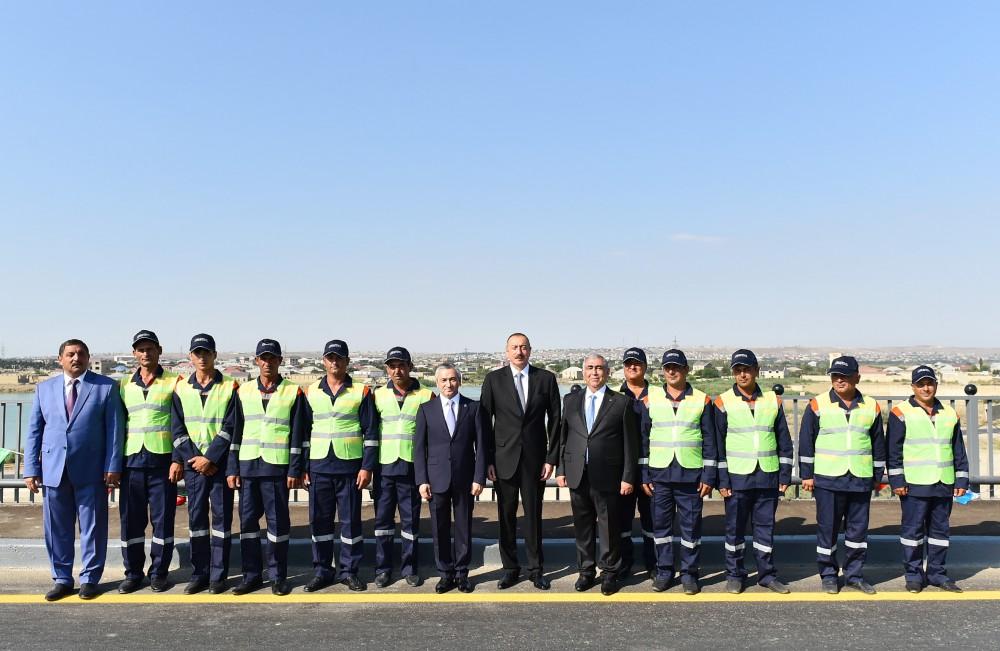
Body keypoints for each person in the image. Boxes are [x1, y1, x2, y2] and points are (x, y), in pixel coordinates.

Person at [24, 339, 124, 601]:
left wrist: (113, 466)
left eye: (81, 354)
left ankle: (90, 578)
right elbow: (34, 431)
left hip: (92, 470)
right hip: (54, 469)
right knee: (57, 528)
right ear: (60, 359)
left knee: (92, 527)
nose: (75, 358)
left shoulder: (106, 387)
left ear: (89, 358)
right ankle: (62, 578)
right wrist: (31, 469)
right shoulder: (43, 389)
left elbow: (115, 430)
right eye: (70, 354)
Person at [479, 333, 561, 590]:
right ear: (506, 352)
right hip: (503, 460)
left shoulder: (545, 379)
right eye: (514, 347)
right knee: (506, 516)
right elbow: (484, 422)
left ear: (530, 350)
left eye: (523, 347)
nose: (519, 351)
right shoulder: (493, 380)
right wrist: (488, 460)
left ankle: (536, 569)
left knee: (534, 516)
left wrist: (551, 458)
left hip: (536, 461)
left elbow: (556, 419)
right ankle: (511, 568)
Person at [798, 355, 886, 595]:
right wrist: (806, 474)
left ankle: (854, 575)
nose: (839, 380)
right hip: (828, 478)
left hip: (859, 477)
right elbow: (806, 441)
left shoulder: (871, 405)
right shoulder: (817, 404)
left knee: (858, 532)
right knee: (827, 529)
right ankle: (828, 575)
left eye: (845, 376)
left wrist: (878, 475)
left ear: (857, 377)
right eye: (835, 375)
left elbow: (878, 444)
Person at [227, 339, 306, 596]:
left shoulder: (293, 392)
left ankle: (277, 576)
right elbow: (235, 432)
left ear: (280, 360)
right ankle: (251, 575)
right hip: (248, 467)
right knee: (248, 525)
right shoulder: (243, 391)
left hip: (276, 468)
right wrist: (232, 468)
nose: (267, 362)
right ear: (256, 360)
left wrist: (295, 469)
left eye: (272, 358)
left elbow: (298, 435)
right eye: (263, 358)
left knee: (278, 526)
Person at [556, 354, 639, 596]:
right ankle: (586, 571)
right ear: (583, 372)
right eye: (590, 368)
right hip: (577, 473)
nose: (595, 372)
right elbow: (563, 438)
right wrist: (561, 470)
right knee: (582, 527)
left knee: (609, 527)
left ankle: (610, 573)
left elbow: (630, 445)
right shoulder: (571, 400)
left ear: (608, 372)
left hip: (609, 476)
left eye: (599, 368)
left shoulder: (621, 403)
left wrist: (627, 477)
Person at [714, 349, 793, 594]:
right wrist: (722, 479)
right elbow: (718, 444)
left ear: (757, 371)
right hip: (737, 478)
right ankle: (735, 575)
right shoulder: (723, 401)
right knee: (735, 530)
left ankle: (766, 574)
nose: (742, 374)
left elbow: (784, 440)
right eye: (738, 370)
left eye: (747, 369)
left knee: (765, 529)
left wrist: (784, 474)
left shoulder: (773, 401)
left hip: (767, 476)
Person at [301, 339, 377, 593]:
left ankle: (349, 571)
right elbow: (302, 433)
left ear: (347, 362)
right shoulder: (311, 391)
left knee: (350, 523)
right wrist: (303, 468)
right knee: (319, 523)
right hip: (319, 466)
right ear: (323, 361)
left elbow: (371, 433)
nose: (334, 362)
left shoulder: (361, 391)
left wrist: (366, 467)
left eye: (339, 358)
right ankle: (322, 570)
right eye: (330, 358)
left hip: (349, 467)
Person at [640, 349, 717, 595]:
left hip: (690, 476)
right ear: (663, 370)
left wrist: (708, 475)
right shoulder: (650, 399)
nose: (671, 371)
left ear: (686, 370)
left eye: (676, 367)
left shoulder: (702, 400)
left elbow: (710, 441)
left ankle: (689, 574)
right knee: (660, 528)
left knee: (691, 529)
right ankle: (664, 571)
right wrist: (643, 474)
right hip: (660, 476)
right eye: (667, 367)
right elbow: (643, 440)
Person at [887, 365, 969, 593]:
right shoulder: (900, 412)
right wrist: (897, 481)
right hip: (914, 484)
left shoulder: (949, 414)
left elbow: (958, 451)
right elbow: (893, 451)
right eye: (921, 384)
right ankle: (913, 574)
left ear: (936, 385)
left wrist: (961, 480)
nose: (926, 388)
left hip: (944, 482)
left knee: (940, 533)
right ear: (913, 386)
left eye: (930, 383)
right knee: (912, 532)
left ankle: (937, 573)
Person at [171, 333, 239, 595]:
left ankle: (218, 575)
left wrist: (210, 458)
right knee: (196, 520)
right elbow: (177, 429)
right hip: (193, 467)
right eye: (197, 353)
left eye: (206, 353)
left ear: (214, 355)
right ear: (190, 357)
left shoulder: (230, 387)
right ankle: (199, 573)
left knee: (221, 522)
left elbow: (230, 427)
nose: (202, 357)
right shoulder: (181, 389)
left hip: (219, 465)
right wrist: (197, 460)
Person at [117, 330, 183, 594]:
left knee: (162, 522)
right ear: (134, 353)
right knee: (131, 523)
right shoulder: (123, 385)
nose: (146, 354)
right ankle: (133, 573)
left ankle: (158, 573)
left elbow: (180, 423)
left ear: (159, 350)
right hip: (131, 462)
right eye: (141, 349)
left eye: (150, 349)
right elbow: (118, 426)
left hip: (162, 463)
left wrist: (178, 459)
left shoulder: (175, 382)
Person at [414, 363, 490, 594]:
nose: (449, 384)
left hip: (465, 479)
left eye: (453, 379)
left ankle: (462, 574)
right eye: (444, 380)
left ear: (459, 381)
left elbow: (482, 447)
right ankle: (445, 574)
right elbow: (419, 449)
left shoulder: (474, 407)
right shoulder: (426, 409)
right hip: (436, 479)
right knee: (440, 528)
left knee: (463, 528)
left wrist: (479, 478)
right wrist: (422, 480)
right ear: (437, 383)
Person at [372, 346, 434, 588]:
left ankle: (409, 568)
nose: (397, 370)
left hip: (411, 468)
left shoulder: (426, 395)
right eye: (392, 366)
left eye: (401, 365)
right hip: (384, 468)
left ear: (410, 366)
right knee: (383, 523)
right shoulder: (377, 395)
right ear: (387, 369)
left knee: (410, 523)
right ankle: (383, 569)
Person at [617, 347, 656, 577]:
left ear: (645, 367)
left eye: (637, 363)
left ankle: (653, 564)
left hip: (651, 470)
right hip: (623, 471)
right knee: (622, 521)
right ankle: (624, 563)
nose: (633, 367)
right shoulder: (614, 396)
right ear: (623, 368)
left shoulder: (659, 396)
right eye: (629, 363)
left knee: (653, 522)